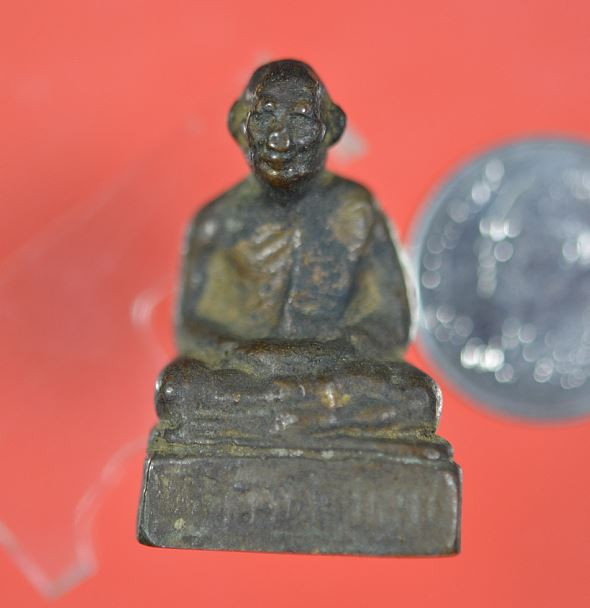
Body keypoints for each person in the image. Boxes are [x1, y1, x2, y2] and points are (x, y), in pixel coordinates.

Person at [155, 60, 440, 443]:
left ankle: (280, 418)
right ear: (239, 125)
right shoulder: (218, 221)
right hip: (249, 375)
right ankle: (309, 421)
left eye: (300, 120)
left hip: (334, 374)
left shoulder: (355, 209)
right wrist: (240, 352)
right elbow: (193, 329)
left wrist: (325, 353)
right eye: (264, 118)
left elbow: (390, 326)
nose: (279, 141)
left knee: (416, 395)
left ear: (331, 128)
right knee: (178, 388)